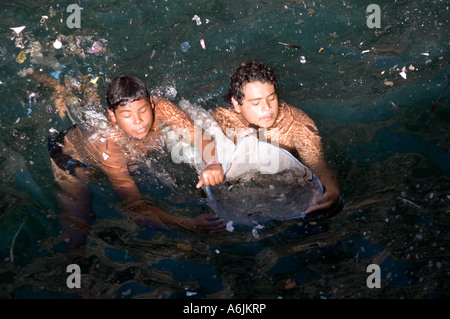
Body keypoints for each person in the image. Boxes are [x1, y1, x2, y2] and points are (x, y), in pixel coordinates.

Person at [26, 71, 227, 260]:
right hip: (70, 159)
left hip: (109, 149)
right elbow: (135, 210)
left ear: (152, 105)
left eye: (143, 111)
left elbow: (198, 135)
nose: (138, 122)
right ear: (113, 116)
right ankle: (76, 276)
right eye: (127, 116)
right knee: (80, 221)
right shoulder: (110, 147)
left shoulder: (164, 108)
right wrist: (189, 224)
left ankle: (59, 89)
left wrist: (212, 163)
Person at [211, 59, 341, 214]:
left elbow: (319, 166)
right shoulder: (224, 116)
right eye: (256, 103)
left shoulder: (297, 124)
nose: (267, 108)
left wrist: (333, 192)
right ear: (237, 105)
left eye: (271, 98)